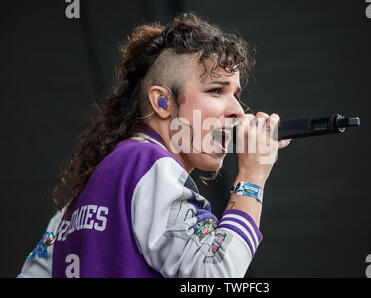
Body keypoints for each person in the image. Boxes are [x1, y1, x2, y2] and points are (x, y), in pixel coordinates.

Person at [18, 12, 290, 278]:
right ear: (162, 102)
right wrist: (252, 177)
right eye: (216, 90)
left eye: (236, 95)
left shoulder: (77, 203)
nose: (238, 112)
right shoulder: (149, 164)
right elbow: (216, 271)